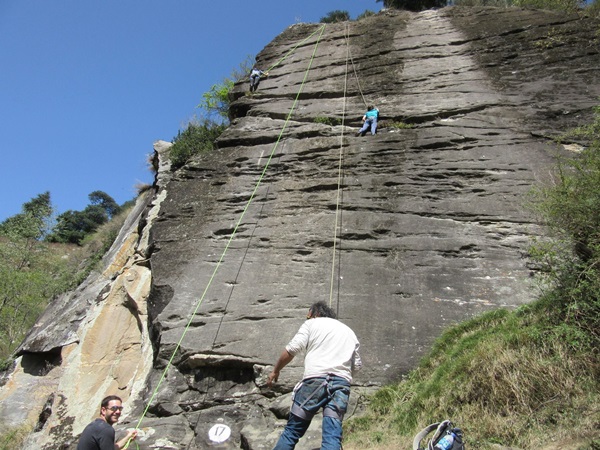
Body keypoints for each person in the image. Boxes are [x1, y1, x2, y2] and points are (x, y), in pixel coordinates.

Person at [267, 301, 362, 450]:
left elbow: (292, 349)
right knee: (332, 436)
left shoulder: (311, 324)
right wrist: (342, 377)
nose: (307, 317)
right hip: (340, 385)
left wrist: (276, 370)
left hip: (314, 382)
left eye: (308, 315)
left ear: (314, 313)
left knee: (292, 432)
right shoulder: (349, 332)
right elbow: (356, 366)